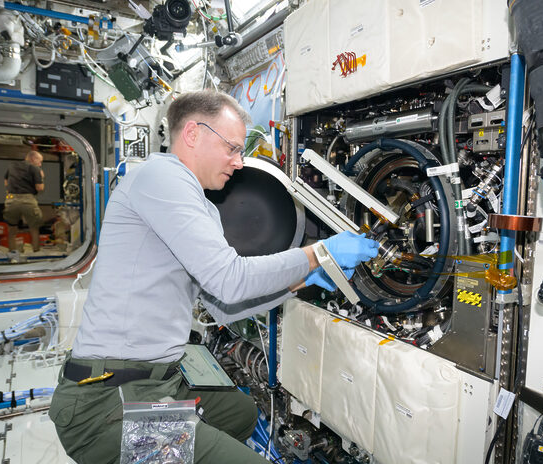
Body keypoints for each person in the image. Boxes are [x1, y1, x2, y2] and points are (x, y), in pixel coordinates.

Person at [50, 90, 379, 464]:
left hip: (157, 380)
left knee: (240, 413)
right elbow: (229, 279)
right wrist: (319, 252)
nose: (239, 162)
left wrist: (303, 280)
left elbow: (221, 305)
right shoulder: (161, 176)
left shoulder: (200, 204)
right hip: (106, 402)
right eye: (233, 148)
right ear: (193, 134)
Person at [3, 150, 45, 252]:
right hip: (28, 200)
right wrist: (42, 177)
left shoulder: (12, 166)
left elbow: (6, 183)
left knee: (12, 229)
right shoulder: (35, 168)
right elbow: (39, 188)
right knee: (34, 228)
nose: (40, 164)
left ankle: (12, 254)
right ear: (33, 159)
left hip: (11, 199)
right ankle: (36, 253)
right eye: (39, 161)